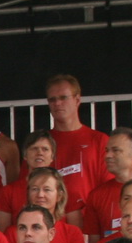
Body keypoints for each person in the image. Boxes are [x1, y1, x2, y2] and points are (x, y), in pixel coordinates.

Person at [43, 74, 110, 210]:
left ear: (77, 100)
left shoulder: (99, 140)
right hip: (51, 221)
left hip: (90, 221)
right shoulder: (40, 143)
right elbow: (28, 184)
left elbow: (108, 186)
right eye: (52, 99)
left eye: (63, 97)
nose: (57, 103)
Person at [19, 168, 88, 243]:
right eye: (35, 189)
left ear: (59, 195)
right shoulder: (16, 233)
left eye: (47, 189)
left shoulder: (72, 233)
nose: (40, 195)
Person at [0, 130, 62, 228]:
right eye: (34, 149)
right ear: (25, 155)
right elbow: (3, 234)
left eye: (45, 149)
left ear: (52, 157)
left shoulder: (61, 189)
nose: (39, 153)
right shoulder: (8, 192)